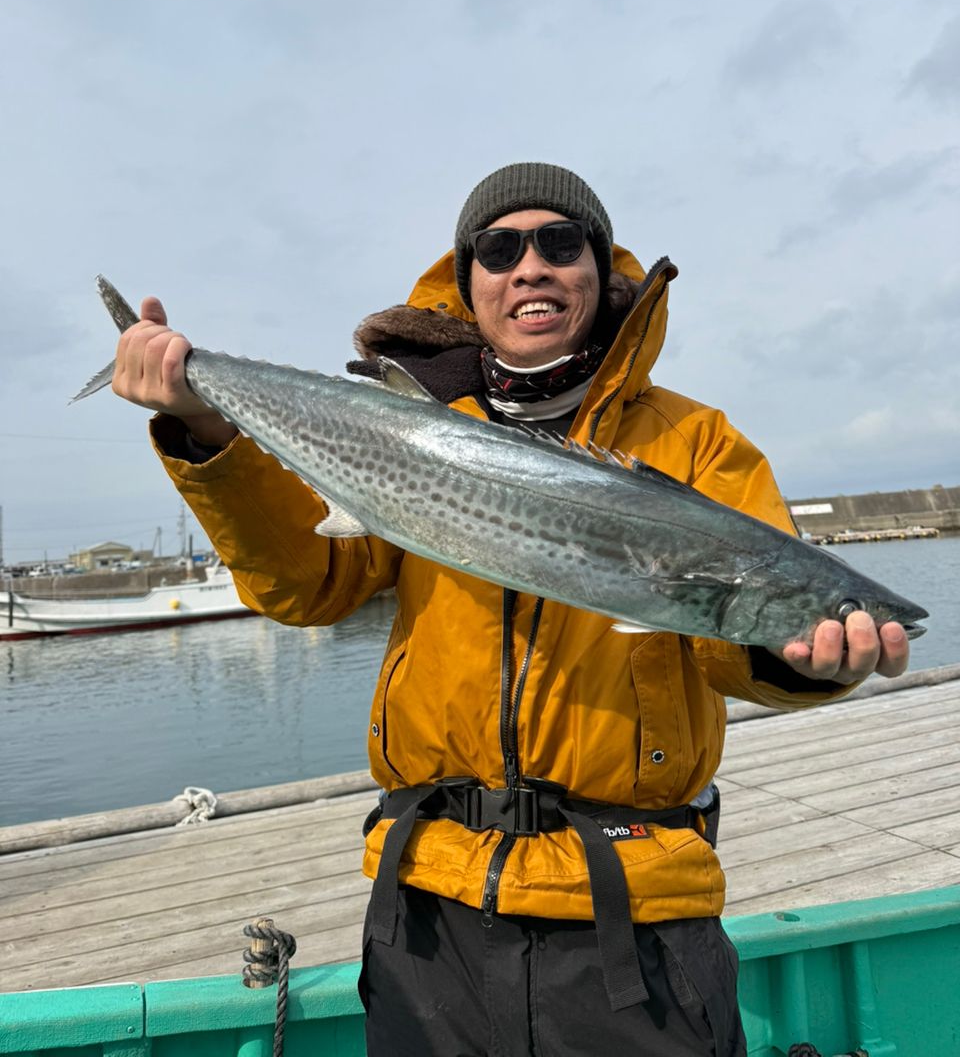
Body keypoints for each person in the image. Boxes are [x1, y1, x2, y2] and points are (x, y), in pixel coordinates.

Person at [112, 163, 909, 1056]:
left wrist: (801, 654)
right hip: (427, 898)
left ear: (599, 274)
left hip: (631, 906)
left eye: (559, 244)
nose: (529, 267)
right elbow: (308, 587)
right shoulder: (404, 421)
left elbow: (727, 637)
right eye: (498, 249)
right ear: (470, 284)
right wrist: (203, 425)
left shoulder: (695, 442)